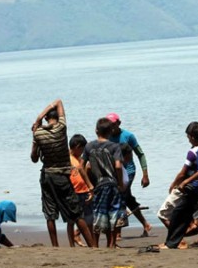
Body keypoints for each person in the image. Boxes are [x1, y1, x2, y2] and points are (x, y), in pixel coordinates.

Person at [31, 99, 95, 248]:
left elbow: (34, 159)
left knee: (50, 214)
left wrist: (35, 134)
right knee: (76, 212)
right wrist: (39, 116)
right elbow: (58, 101)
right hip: (62, 176)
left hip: (47, 176)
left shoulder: (38, 133)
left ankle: (55, 247)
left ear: (47, 119)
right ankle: (92, 246)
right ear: (56, 117)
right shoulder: (61, 128)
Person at [160, 122, 198, 249]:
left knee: (178, 214)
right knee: (184, 213)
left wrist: (184, 182)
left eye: (188, 138)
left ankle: (171, 244)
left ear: (193, 137)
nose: (189, 140)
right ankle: (174, 242)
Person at [82, 117, 126, 248]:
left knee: (98, 213)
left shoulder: (89, 146)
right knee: (113, 214)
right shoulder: (114, 147)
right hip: (112, 184)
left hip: (99, 185)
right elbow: (118, 166)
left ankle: (95, 245)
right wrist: (120, 183)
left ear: (96, 130)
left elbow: (81, 166)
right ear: (110, 131)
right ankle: (111, 244)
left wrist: (89, 184)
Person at [107, 112, 152, 237]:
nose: (111, 127)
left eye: (113, 124)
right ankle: (146, 224)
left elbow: (140, 154)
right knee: (128, 199)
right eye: (108, 125)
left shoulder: (128, 136)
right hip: (114, 173)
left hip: (129, 171)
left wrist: (145, 174)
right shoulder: (107, 137)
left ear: (119, 123)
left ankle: (118, 232)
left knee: (120, 197)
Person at [68, 134, 95, 247]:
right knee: (72, 221)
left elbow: (83, 171)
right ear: (77, 147)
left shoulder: (79, 159)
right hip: (74, 192)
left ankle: (92, 244)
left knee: (89, 219)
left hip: (83, 190)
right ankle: (71, 245)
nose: (83, 152)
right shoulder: (68, 158)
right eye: (82, 149)